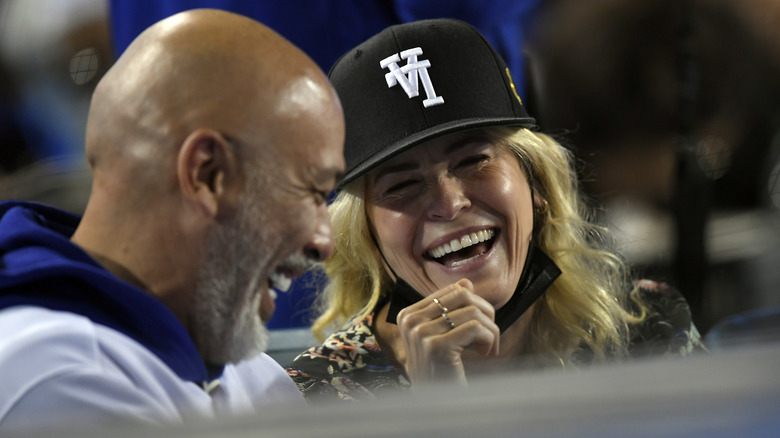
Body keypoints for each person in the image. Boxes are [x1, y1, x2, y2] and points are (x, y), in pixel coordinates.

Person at [286, 18, 706, 401]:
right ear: (369, 238)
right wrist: (436, 412)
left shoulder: (647, 329)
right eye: (402, 185)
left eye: (474, 160)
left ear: (536, 183)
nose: (450, 204)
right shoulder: (317, 396)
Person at [0, 8, 345, 431]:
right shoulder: (54, 379)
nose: (323, 241)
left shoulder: (251, 373)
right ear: (206, 174)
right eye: (311, 190)